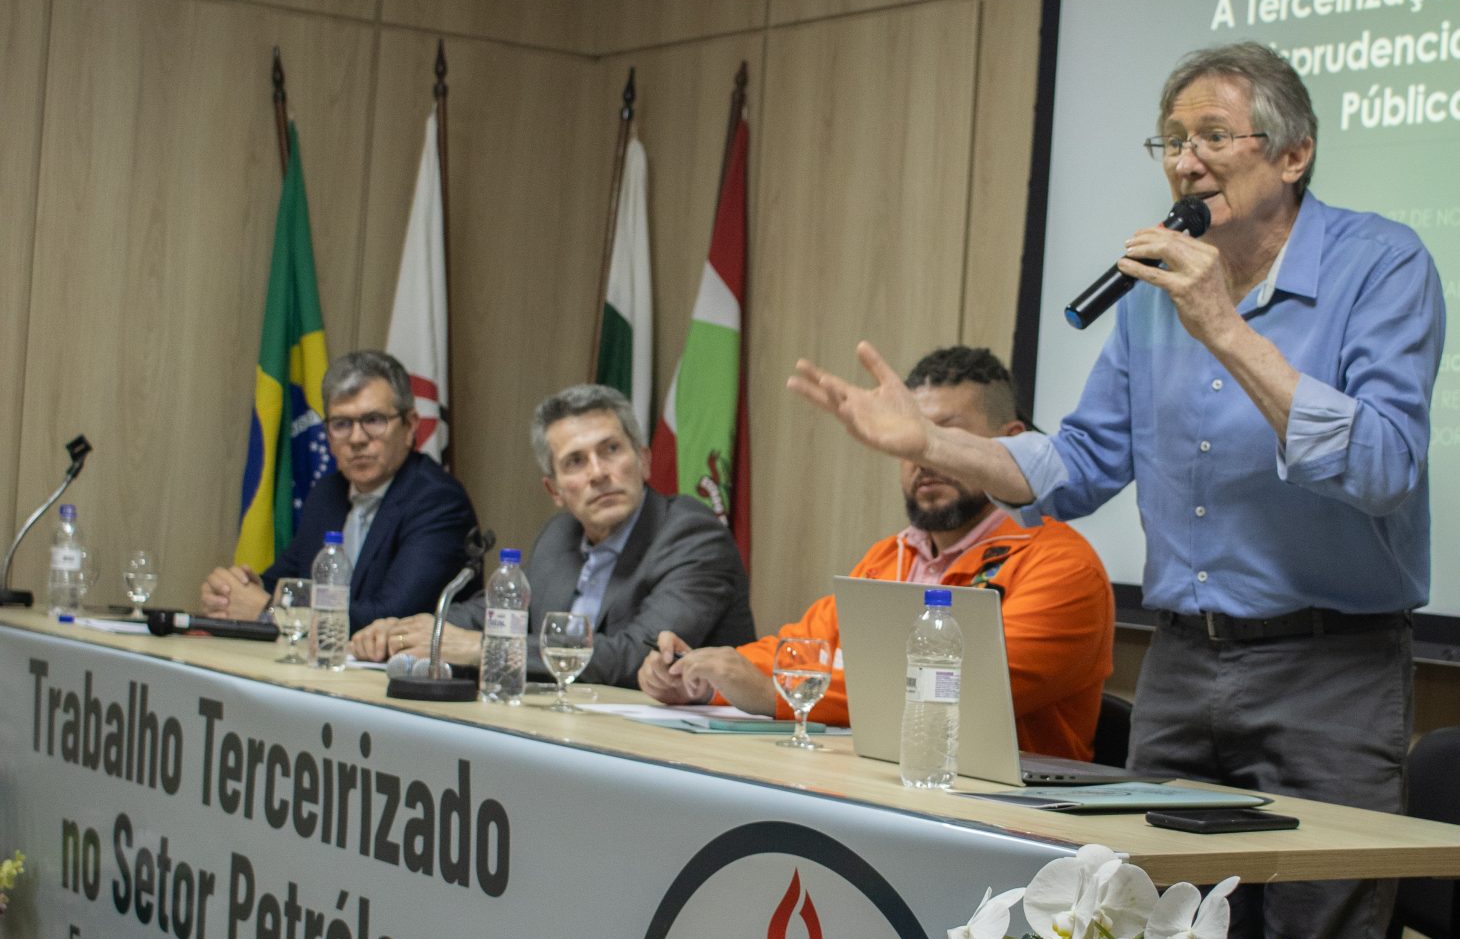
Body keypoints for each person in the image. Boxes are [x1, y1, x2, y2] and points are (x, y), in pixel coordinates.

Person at [787, 45, 1447, 939]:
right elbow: (1071, 467)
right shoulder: (1151, 304)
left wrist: (1224, 324)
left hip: (1330, 673)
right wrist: (932, 445)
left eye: (1210, 137)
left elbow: (1384, 463)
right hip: (1189, 674)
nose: (1184, 162)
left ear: (1291, 155)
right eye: (1168, 141)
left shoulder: (1378, 268)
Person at [638, 346, 1114, 761]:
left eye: (943, 436)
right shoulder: (891, 556)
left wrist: (772, 691)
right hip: (881, 784)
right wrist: (702, 675)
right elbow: (804, 650)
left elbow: (964, 692)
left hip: (1010, 810)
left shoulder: (1062, 566)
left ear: (1011, 444)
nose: (923, 456)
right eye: (908, 437)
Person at [352, 383, 752, 685]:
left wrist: (481, 649)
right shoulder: (560, 535)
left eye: (611, 450)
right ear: (555, 490)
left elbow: (635, 657)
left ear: (644, 461)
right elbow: (490, 611)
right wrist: (405, 631)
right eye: (575, 461)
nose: (598, 473)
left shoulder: (692, 536)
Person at [200, 349, 477, 628]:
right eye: (341, 424)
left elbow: (391, 617)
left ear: (410, 426)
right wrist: (236, 592)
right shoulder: (327, 494)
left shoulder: (438, 501)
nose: (356, 439)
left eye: (373, 420)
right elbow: (286, 582)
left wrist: (267, 610)